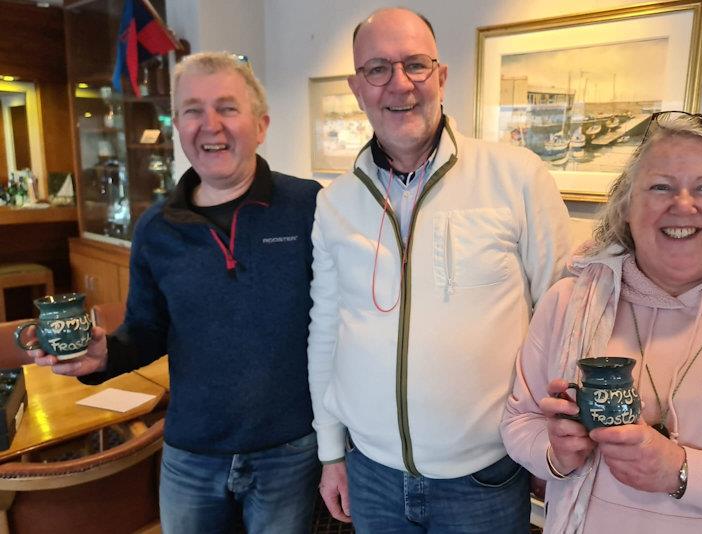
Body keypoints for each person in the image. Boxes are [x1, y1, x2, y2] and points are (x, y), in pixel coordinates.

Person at [29, 52, 322, 534]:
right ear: (177, 127)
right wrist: (103, 356)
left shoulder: (308, 207)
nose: (210, 125)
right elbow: (146, 332)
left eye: (227, 108)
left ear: (261, 124)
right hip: (190, 457)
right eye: (192, 110)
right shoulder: (156, 229)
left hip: (288, 453)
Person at [307, 7, 571, 533]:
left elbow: (563, 316)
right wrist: (331, 450)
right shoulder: (335, 202)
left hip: (486, 477)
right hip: (372, 474)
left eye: (416, 65)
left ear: (442, 77)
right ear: (358, 88)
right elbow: (327, 333)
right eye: (378, 69)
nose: (399, 84)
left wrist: (549, 443)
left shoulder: (515, 176)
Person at [501, 111, 702, 533]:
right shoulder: (568, 303)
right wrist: (555, 454)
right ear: (626, 206)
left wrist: (682, 472)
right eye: (660, 186)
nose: (682, 204)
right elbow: (520, 421)